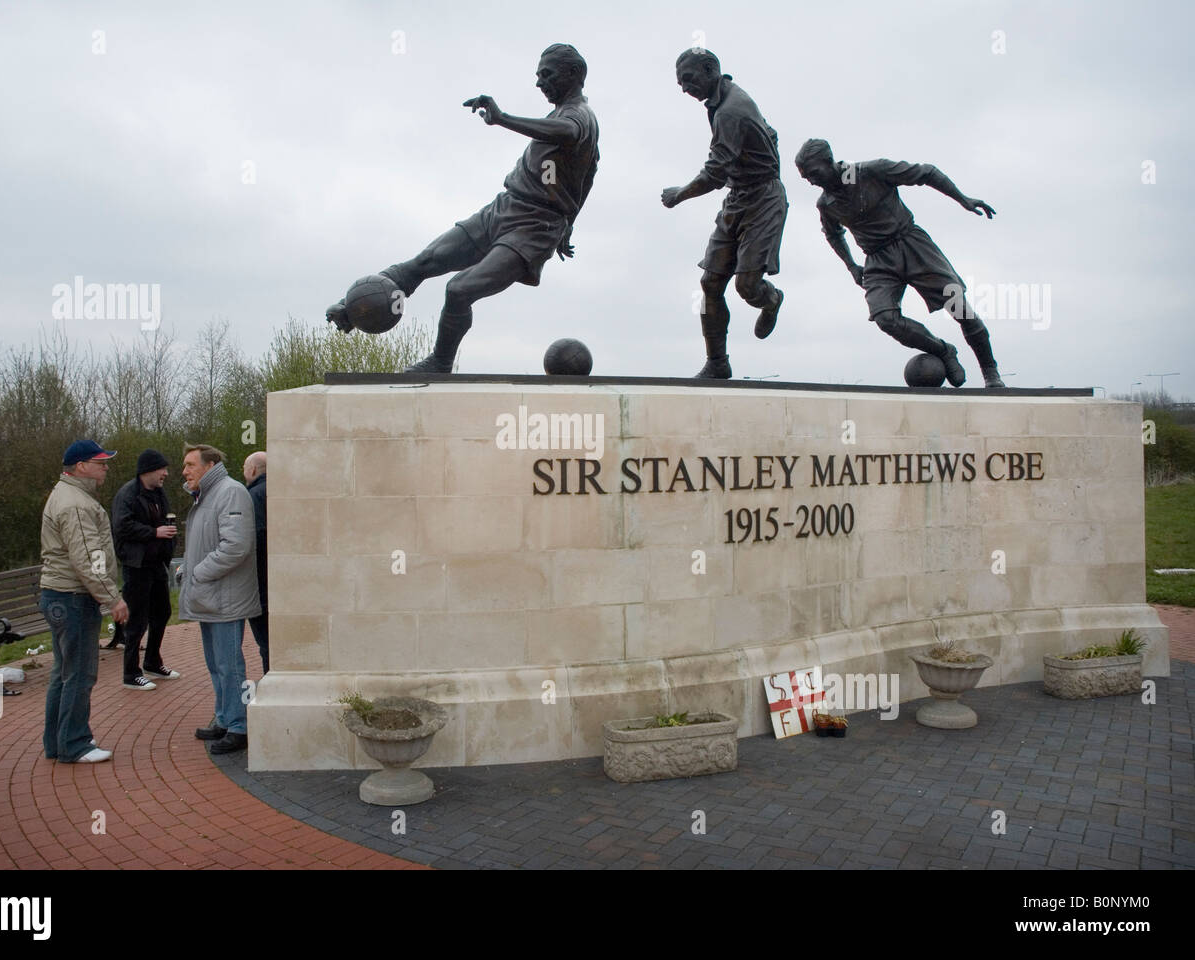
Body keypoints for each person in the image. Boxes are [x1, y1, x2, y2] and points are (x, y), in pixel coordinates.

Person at [326, 43, 599, 374]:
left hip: (534, 227)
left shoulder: (579, 116)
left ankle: (440, 362)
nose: (539, 83)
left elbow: (568, 133)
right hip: (503, 209)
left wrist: (502, 118)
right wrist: (571, 221)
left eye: (546, 74)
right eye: (538, 75)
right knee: (424, 262)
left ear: (573, 74)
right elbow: (589, 174)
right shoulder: (562, 116)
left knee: (459, 290)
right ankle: (351, 307)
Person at [795, 138, 1005, 388]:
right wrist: (851, 265)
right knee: (885, 318)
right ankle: (943, 350)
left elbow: (927, 173)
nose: (811, 181)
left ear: (829, 162)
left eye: (814, 173)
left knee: (958, 307)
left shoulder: (870, 171)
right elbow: (832, 233)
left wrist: (962, 199)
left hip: (911, 244)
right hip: (878, 260)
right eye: (806, 177)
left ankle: (990, 372)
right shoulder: (825, 203)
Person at [661, 48, 787, 379]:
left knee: (747, 287)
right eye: (679, 83)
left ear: (710, 69)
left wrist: (679, 195)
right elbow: (770, 134)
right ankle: (718, 362)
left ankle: (771, 300)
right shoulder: (722, 101)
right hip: (738, 198)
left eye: (688, 79)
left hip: (763, 201)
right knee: (711, 282)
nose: (684, 89)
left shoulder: (731, 110)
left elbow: (715, 173)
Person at [39, 439, 129, 763]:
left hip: (62, 596)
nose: (106, 468)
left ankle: (57, 743)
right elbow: (88, 560)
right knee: (79, 673)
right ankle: (75, 745)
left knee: (64, 672)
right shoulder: (76, 503)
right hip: (73, 598)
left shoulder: (70, 496)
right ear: (81, 467)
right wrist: (113, 599)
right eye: (100, 463)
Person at [179, 444, 260, 755]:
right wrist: (189, 571)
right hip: (209, 596)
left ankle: (240, 727)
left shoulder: (230, 492)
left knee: (231, 665)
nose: (184, 472)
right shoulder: (206, 495)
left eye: (190, 465)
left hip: (225, 597)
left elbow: (236, 546)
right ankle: (225, 719)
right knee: (216, 663)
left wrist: (197, 572)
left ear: (210, 464)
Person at [110, 448, 180, 690]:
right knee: (137, 620)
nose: (166, 473)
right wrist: (154, 533)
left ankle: (152, 661)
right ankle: (130, 673)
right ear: (148, 470)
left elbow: (165, 520)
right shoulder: (127, 494)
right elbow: (122, 526)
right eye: (162, 469)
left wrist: (168, 538)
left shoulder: (159, 493)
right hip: (136, 565)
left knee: (162, 613)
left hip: (156, 564)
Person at [242, 451, 269, 674]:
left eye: (244, 467)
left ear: (252, 470)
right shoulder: (278, 493)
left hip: (259, 582)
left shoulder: (252, 497)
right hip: (276, 581)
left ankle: (270, 680)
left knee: (266, 642)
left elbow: (255, 537)